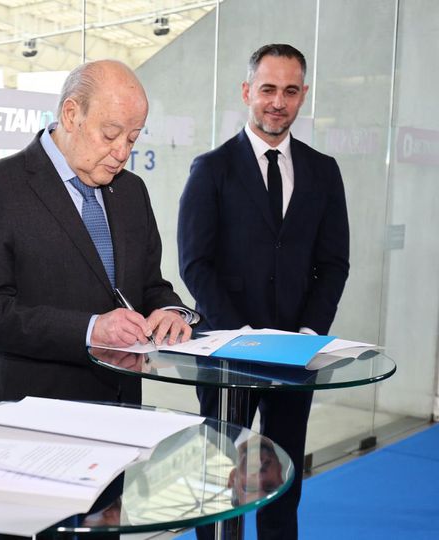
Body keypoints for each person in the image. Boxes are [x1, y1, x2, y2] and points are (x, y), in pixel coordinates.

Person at [178, 43, 349, 539]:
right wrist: (245, 336)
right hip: (228, 352)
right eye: (268, 89)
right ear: (247, 91)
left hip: (297, 356)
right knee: (217, 479)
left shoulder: (323, 171)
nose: (278, 101)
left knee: (283, 479)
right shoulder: (211, 169)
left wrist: (307, 334)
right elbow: (196, 264)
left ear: (303, 96)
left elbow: (333, 264)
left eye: (290, 91)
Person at [0, 59, 197, 406]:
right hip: (32, 412)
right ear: (71, 115)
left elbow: (149, 286)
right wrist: (90, 329)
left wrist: (171, 312)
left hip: (120, 406)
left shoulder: (132, 191)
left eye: (132, 138)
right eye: (111, 135)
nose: (122, 153)